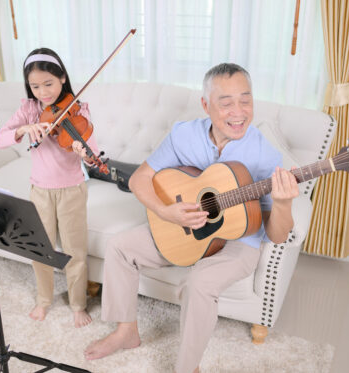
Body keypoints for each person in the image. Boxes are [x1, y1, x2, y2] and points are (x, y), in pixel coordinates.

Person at [84, 63, 299, 372]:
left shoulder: (266, 156)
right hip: (182, 228)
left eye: (246, 99)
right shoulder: (184, 135)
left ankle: (187, 367)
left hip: (239, 242)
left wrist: (283, 204)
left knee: (199, 283)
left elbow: (277, 236)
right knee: (120, 247)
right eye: (226, 102)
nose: (238, 111)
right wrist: (165, 211)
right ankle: (126, 331)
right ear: (205, 105)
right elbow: (139, 180)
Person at [0, 48, 97, 328]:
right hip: (39, 191)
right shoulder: (29, 110)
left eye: (48, 84)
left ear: (62, 78)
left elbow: (93, 152)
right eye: (35, 86)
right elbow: (0, 139)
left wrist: (82, 150)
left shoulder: (78, 109)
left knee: (75, 250)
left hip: (72, 190)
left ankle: (78, 304)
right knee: (39, 248)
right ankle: (43, 300)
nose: (43, 92)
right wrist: (23, 129)